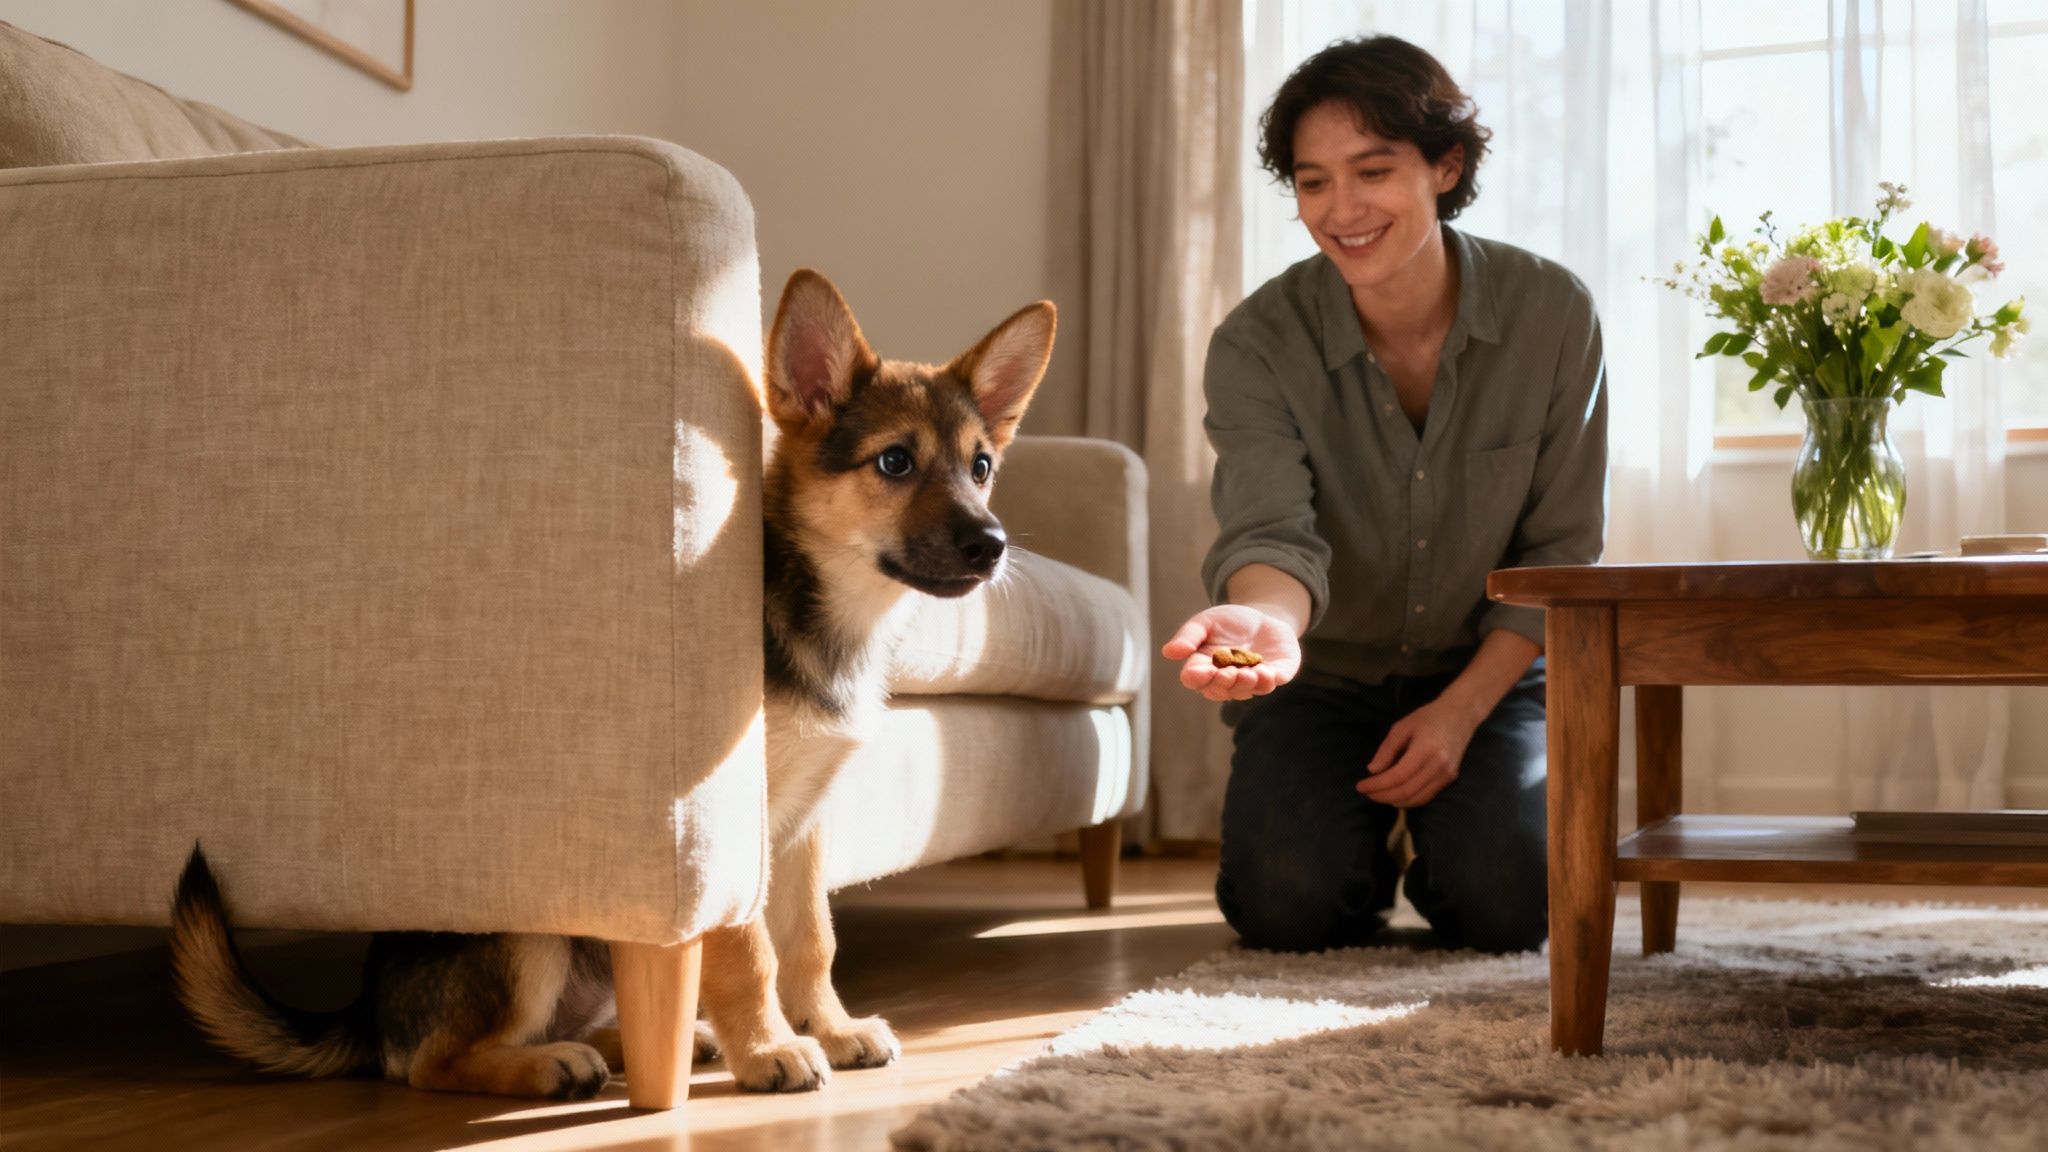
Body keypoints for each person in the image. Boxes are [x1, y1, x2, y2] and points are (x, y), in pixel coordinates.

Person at [1164, 35, 1607, 955]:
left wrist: (1459, 713)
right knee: (1287, 908)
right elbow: (1270, 531)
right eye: (1313, 181)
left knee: (1511, 906)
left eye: (1373, 171)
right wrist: (1272, 628)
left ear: (1445, 167)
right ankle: (1350, 842)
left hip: (1484, 670)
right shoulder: (1255, 345)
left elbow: (1558, 555)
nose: (1342, 209)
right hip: (1322, 675)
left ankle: (1458, 835)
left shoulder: (1553, 315)